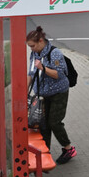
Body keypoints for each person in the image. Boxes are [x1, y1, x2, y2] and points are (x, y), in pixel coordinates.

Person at [26, 26, 76, 164]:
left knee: (54, 122)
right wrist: (25, 91)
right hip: (42, 94)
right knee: (43, 124)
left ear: (41, 41)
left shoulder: (55, 53)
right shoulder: (35, 54)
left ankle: (68, 149)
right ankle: (44, 152)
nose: (31, 49)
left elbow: (59, 74)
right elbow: (31, 73)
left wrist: (43, 68)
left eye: (32, 46)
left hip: (58, 92)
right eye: (29, 47)